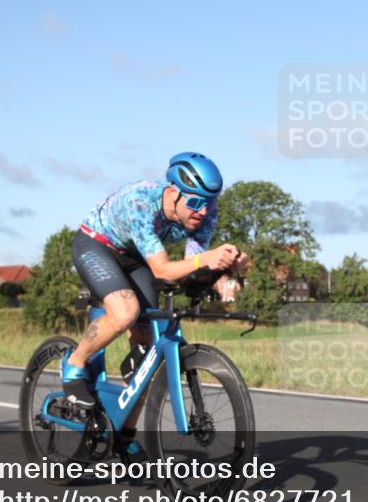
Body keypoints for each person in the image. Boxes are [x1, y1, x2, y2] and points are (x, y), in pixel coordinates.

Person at [62, 152, 248, 446]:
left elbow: (189, 270)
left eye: (209, 201)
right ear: (173, 193)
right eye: (195, 201)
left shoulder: (206, 214)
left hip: (135, 257)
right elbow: (163, 269)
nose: (203, 210)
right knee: (125, 312)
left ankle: (122, 435)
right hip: (97, 245)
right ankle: (74, 364)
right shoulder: (141, 202)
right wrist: (206, 260)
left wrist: (221, 269)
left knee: (148, 359)